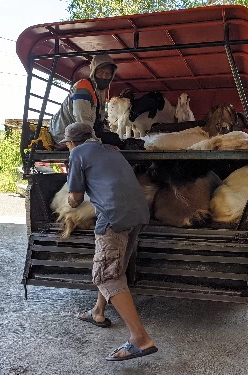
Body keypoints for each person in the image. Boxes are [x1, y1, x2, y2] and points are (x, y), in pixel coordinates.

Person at [62, 122, 157, 361]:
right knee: (115, 267)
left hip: (114, 217)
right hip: (138, 215)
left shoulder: (77, 153)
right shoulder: (111, 150)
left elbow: (75, 197)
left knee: (105, 274)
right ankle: (98, 312)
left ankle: (140, 339)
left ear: (71, 143)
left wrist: (70, 205)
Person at [49, 54, 122, 148]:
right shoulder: (83, 87)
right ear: (93, 71)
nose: (104, 77)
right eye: (100, 72)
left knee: (115, 139)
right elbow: (82, 121)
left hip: (81, 132)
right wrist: (99, 144)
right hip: (64, 135)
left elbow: (99, 120)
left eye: (107, 74)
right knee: (113, 142)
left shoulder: (101, 92)